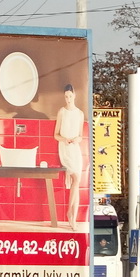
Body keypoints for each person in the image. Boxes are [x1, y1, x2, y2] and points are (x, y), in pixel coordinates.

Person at [54, 84, 85, 231]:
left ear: (74, 96)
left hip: (75, 149)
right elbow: (55, 134)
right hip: (65, 149)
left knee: (76, 183)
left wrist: (76, 139)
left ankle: (73, 216)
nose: (68, 99)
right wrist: (64, 139)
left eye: (70, 96)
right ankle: (70, 215)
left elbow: (81, 135)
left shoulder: (80, 113)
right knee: (76, 180)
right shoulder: (62, 112)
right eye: (66, 97)